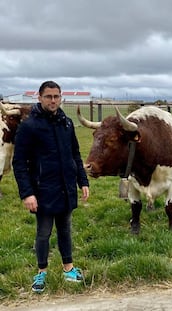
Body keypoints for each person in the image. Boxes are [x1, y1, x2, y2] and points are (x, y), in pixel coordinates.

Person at [12, 81, 90, 293]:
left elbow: (75, 153)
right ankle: (42, 273)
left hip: (66, 187)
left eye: (56, 96)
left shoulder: (66, 123)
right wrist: (27, 193)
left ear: (61, 97)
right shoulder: (29, 126)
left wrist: (82, 181)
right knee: (44, 233)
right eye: (48, 96)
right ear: (39, 97)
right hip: (42, 190)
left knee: (65, 230)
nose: (53, 100)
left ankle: (68, 269)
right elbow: (19, 163)